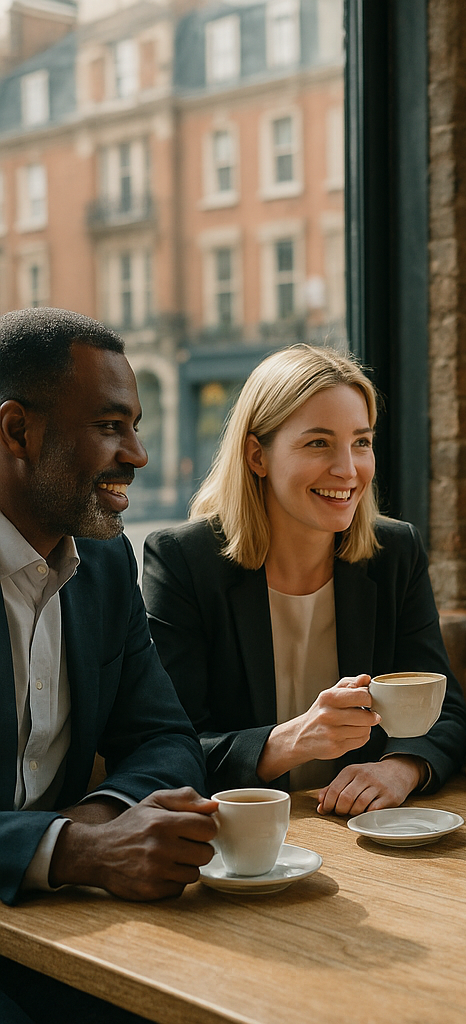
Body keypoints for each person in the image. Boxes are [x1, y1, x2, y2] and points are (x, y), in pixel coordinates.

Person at [142, 344, 466, 815]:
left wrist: (401, 767)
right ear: (257, 455)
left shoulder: (394, 553)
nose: (348, 469)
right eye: (319, 443)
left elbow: (447, 712)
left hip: (365, 832)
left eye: (361, 442)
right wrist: (294, 740)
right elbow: (166, 747)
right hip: (241, 836)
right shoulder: (183, 561)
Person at [0, 307, 215, 1024]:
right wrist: (79, 852)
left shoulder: (104, 563)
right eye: (111, 425)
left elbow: (165, 739)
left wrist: (95, 826)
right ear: (16, 431)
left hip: (68, 934)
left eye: (136, 425)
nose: (139, 454)